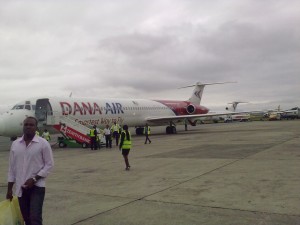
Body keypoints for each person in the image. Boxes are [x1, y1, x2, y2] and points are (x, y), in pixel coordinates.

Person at [6, 116, 54, 225]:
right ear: (23, 127)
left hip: (37, 187)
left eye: (31, 125)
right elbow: (12, 168)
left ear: (36, 127)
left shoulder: (43, 144)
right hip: (21, 188)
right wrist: (9, 189)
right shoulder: (15, 144)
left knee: (35, 217)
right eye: (26, 124)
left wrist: (34, 178)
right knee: (26, 219)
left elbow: (49, 164)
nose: (28, 127)